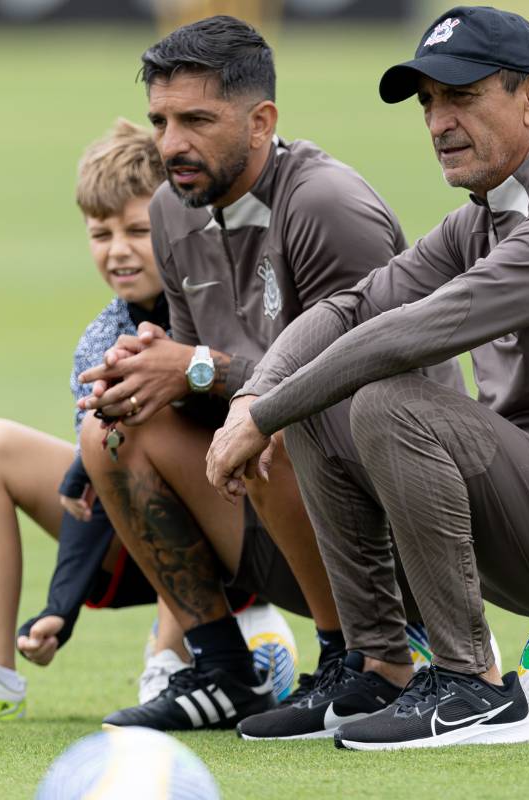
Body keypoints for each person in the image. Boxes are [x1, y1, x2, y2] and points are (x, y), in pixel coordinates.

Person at [207, 5, 529, 750]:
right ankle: (378, 666)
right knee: (323, 394)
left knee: (385, 399)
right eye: (428, 103)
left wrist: (264, 413)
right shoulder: (485, 215)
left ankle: (473, 688)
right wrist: (258, 395)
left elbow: (411, 334)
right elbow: (352, 307)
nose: (439, 121)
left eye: (462, 96)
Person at [77, 16, 457, 732]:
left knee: (278, 417)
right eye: (161, 121)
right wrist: (150, 370)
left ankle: (367, 659)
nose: (171, 144)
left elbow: (360, 384)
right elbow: (197, 384)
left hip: (396, 526)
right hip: (276, 517)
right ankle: (221, 670)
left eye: (196, 120)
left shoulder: (326, 205)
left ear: (261, 122)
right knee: (115, 434)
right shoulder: (170, 207)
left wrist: (199, 370)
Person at [0, 119, 277, 721]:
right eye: (100, 232)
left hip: (257, 531)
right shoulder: (100, 340)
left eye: (139, 230)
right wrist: (58, 608)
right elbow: (97, 478)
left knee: (162, 446)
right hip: (145, 537)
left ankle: (181, 661)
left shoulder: (220, 299)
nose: (117, 249)